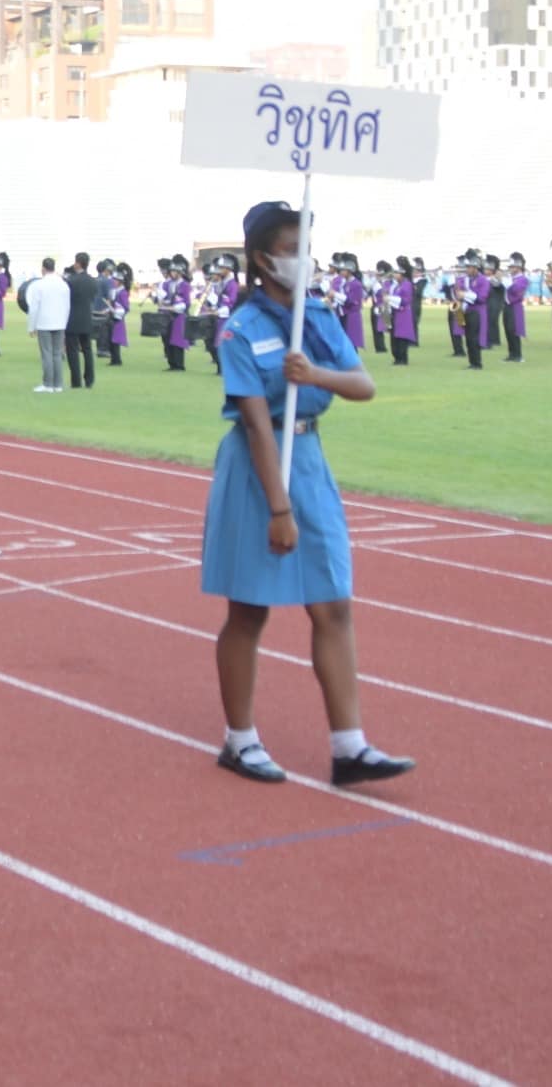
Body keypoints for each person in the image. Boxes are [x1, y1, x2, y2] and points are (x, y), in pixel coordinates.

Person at [203, 200, 412, 789]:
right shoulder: (241, 330)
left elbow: (363, 385)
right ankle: (239, 740)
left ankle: (350, 746)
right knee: (249, 609)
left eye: (307, 248)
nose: (304, 260)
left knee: (333, 603)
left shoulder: (315, 317)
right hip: (258, 466)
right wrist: (279, 508)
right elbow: (254, 422)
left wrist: (314, 375)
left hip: (310, 459)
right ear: (261, 258)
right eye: (291, 250)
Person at [27, 256, 69, 393]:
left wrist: (31, 326)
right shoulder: (63, 284)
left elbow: (34, 308)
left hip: (44, 323)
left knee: (46, 354)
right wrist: (65, 323)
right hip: (59, 322)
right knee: (57, 354)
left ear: (43, 269)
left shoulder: (39, 285)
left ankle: (48, 384)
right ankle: (58, 384)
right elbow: (67, 306)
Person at [64, 253, 98, 389]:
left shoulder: (71, 281)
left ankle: (76, 381)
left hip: (72, 319)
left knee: (72, 351)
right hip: (87, 318)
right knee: (87, 350)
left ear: (77, 263)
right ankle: (89, 379)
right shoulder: (93, 281)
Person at [105, 261, 131, 366]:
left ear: (120, 281)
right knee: (111, 339)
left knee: (115, 340)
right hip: (112, 315)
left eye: (115, 280)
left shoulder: (123, 292)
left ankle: (116, 359)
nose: (114, 282)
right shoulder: (115, 291)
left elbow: (126, 307)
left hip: (118, 317)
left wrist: (116, 310)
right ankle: (113, 359)